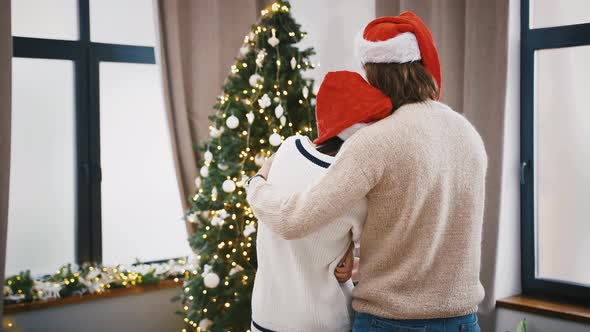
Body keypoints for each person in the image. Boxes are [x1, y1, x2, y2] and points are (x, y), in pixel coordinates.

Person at [247, 12, 487, 332]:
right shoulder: (467, 133)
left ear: (373, 75)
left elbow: (295, 220)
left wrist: (256, 184)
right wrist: (353, 256)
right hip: (463, 321)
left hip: (391, 322)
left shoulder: (376, 141)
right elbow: (427, 232)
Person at [250, 71, 392, 332]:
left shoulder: (287, 148)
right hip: (321, 322)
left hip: (265, 315)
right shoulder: (355, 187)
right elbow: (378, 257)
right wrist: (349, 253)